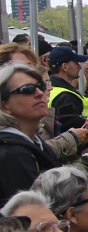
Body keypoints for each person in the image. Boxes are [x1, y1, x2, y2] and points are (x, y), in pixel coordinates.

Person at [0, 64, 61, 207]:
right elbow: (31, 216)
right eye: (27, 89)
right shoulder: (12, 153)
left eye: (40, 86)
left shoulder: (32, 141)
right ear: (4, 106)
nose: (40, 93)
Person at [46, 48, 88, 135]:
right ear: (65, 67)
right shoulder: (66, 97)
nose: (80, 67)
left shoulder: (54, 89)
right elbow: (72, 132)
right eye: (76, 63)